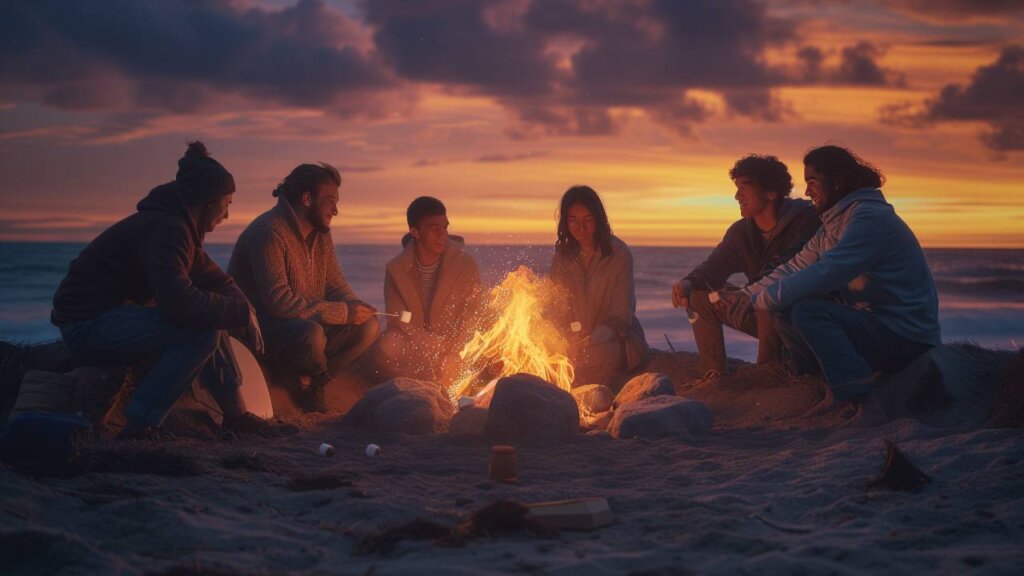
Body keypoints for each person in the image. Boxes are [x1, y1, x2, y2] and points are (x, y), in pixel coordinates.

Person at [51, 141, 276, 439]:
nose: (227, 215)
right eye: (228, 204)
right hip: (87, 324)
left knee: (212, 317)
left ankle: (236, 418)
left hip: (116, 316)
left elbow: (218, 281)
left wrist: (243, 309)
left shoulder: (180, 230)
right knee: (201, 331)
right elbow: (178, 305)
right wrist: (237, 312)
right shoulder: (168, 230)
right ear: (208, 201)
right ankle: (140, 425)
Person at [744, 145, 940, 412]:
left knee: (808, 310)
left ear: (836, 182)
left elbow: (828, 272)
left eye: (812, 182)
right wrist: (746, 295)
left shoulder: (868, 218)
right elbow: (797, 266)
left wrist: (763, 299)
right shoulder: (833, 224)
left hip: (908, 337)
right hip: (877, 328)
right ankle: (813, 383)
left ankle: (853, 392)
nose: (807, 191)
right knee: (788, 306)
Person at [227, 163, 379, 412]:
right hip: (259, 329)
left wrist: (355, 307)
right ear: (307, 198)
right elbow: (279, 303)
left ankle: (315, 383)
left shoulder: (320, 234)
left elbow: (334, 283)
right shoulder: (268, 233)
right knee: (311, 334)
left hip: (302, 323)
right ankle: (290, 380)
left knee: (368, 326)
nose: (336, 210)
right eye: (330, 202)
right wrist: (342, 312)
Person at [671, 155, 819, 382]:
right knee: (700, 295)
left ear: (771, 192)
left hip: (801, 321)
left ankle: (768, 374)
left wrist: (747, 294)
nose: (737, 196)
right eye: (736, 188)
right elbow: (716, 266)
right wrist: (689, 282)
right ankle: (713, 374)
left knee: (767, 298)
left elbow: (786, 268)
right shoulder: (742, 232)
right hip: (756, 310)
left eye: (744, 187)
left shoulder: (807, 221)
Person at [376, 197, 483, 382]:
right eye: (434, 229)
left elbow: (472, 314)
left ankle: (439, 380)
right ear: (415, 231)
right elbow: (398, 321)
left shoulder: (465, 265)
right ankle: (424, 382)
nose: (443, 235)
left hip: (455, 346)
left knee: (474, 356)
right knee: (388, 345)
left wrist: (453, 350)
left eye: (445, 227)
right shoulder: (396, 270)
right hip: (418, 347)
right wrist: (433, 346)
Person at [550, 185, 649, 386]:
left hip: (615, 340)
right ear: (565, 222)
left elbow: (622, 314)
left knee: (586, 360)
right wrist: (561, 336)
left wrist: (592, 339)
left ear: (598, 219)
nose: (581, 228)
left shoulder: (619, 254)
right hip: (574, 339)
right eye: (573, 220)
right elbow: (555, 304)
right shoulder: (563, 256)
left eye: (588, 220)